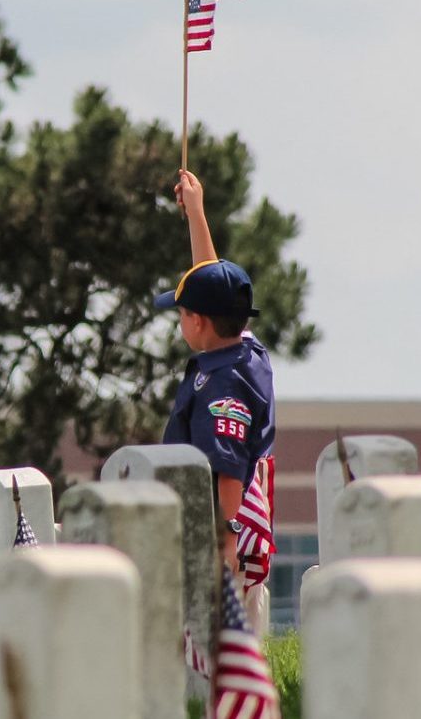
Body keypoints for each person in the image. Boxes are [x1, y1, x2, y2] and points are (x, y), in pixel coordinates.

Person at [157, 169, 274, 574]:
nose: (180, 322)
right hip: (232, 541)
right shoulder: (247, 353)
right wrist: (195, 213)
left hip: (222, 547)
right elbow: (213, 283)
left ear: (201, 323)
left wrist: (223, 555)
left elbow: (226, 471)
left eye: (182, 313)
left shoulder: (224, 382)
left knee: (219, 637)